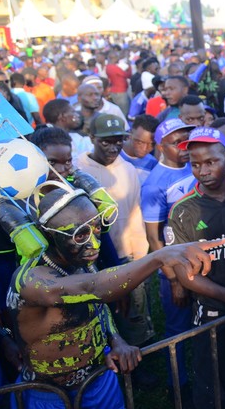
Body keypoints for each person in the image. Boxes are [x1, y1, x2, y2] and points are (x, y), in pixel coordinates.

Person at [7, 185, 218, 409]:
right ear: (49, 236)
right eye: (80, 235)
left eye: (97, 229)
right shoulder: (31, 281)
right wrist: (159, 257)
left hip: (99, 381)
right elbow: (94, 289)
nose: (94, 244)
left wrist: (115, 340)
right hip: (50, 396)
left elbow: (96, 305)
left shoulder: (77, 261)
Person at [168, 127, 225, 408]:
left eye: (210, 162)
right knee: (214, 386)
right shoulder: (183, 211)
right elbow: (185, 276)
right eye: (195, 164)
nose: (202, 170)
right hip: (212, 313)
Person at [74, 114, 154, 351]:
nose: (113, 147)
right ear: (92, 138)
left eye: (118, 141)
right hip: (93, 260)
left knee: (134, 309)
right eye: (105, 142)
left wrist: (140, 254)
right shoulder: (79, 171)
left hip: (128, 254)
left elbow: (135, 212)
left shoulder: (128, 169)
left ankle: (141, 359)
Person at [140, 118, 196, 401]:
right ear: (161, 147)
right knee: (178, 330)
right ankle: (179, 386)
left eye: (187, 140)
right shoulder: (153, 185)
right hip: (176, 269)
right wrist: (174, 279)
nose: (185, 148)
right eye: (177, 143)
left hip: (201, 260)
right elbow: (154, 241)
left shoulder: (194, 165)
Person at [119, 115, 159, 185]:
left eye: (151, 144)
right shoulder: (113, 154)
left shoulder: (153, 164)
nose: (144, 149)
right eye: (140, 142)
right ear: (130, 134)